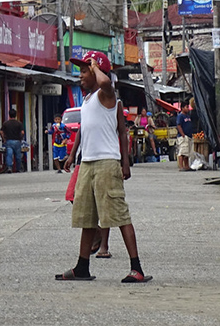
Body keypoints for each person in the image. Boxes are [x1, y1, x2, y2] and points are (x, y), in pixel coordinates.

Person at [56, 51, 149, 283]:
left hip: (107, 162)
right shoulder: (87, 100)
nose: (81, 76)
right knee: (87, 218)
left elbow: (122, 130)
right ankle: (82, 266)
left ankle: (136, 268)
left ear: (98, 70)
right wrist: (73, 155)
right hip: (87, 163)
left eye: (85, 70)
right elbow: (84, 130)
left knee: (119, 214)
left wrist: (125, 162)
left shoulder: (107, 95)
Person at [1, 108, 25, 173]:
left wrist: (4, 139)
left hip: (9, 141)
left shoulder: (6, 123)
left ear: (9, 115)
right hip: (17, 141)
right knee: (18, 155)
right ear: (15, 115)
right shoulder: (19, 123)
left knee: (9, 154)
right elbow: (22, 132)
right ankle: (18, 168)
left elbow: (1, 132)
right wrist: (20, 138)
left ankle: (9, 167)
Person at [175, 105, 193, 171]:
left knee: (187, 153)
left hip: (189, 136)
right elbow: (179, 125)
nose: (188, 109)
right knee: (182, 152)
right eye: (186, 107)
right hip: (183, 136)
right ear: (182, 108)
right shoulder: (180, 116)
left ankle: (187, 166)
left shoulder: (188, 116)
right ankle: (181, 167)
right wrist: (183, 135)